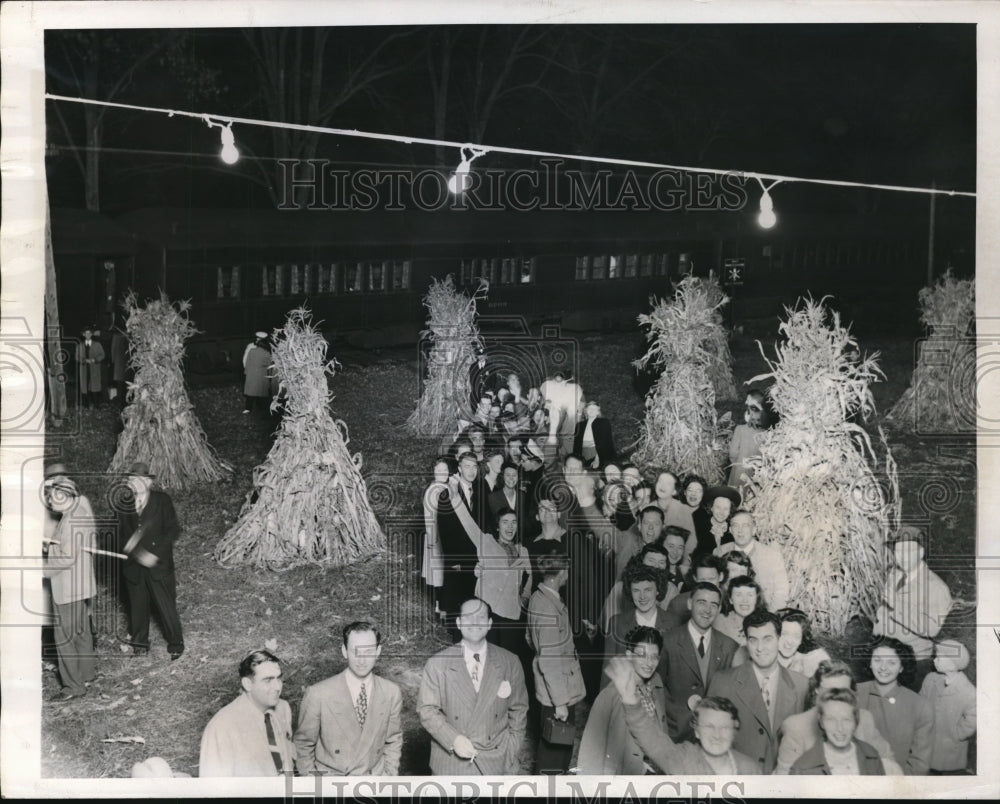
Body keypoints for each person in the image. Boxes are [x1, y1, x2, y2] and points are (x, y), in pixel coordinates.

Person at [419, 597, 528, 775]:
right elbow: (427, 711)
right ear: (459, 623)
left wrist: (510, 751)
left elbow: (519, 710)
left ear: (490, 623)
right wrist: (453, 740)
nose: (475, 623)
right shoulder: (437, 664)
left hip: (497, 760)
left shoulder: (510, 661)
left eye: (481, 617)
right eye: (468, 617)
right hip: (451, 762)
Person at [605, 657, 760, 775]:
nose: (717, 735)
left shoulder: (751, 769)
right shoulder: (683, 759)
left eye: (724, 727)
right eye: (709, 726)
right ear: (697, 731)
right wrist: (630, 700)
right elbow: (652, 740)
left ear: (734, 730)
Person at [706, 609, 809, 773]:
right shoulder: (722, 682)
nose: (760, 648)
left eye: (767, 639)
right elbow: (709, 739)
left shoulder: (802, 685)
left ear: (779, 639)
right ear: (746, 642)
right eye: (753, 640)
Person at [294, 622, 403, 776]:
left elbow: (393, 740)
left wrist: (388, 776)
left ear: (378, 651)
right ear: (344, 651)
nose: (362, 660)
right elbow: (303, 745)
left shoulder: (391, 692)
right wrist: (315, 783)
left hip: (374, 784)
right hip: (332, 785)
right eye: (355, 651)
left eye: (368, 651)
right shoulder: (318, 693)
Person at [775, 659, 902, 775]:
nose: (835, 699)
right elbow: (786, 782)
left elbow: (889, 764)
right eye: (829, 691)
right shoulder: (796, 726)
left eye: (843, 692)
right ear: (816, 690)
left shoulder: (865, 719)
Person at [114, 461, 184, 659]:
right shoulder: (123, 505)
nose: (135, 483)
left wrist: (153, 554)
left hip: (158, 565)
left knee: (166, 606)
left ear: (148, 482)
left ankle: (176, 644)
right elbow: (118, 535)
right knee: (137, 606)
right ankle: (140, 644)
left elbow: (172, 530)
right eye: (132, 479)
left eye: (140, 479)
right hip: (133, 568)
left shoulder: (162, 501)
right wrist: (133, 552)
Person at [578, 627, 669, 775]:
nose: (649, 663)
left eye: (654, 657)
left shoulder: (656, 683)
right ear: (628, 655)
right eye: (641, 655)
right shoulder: (611, 694)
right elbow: (591, 752)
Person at [526, 553, 587, 774]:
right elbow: (549, 661)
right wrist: (560, 702)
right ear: (561, 574)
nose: (568, 575)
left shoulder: (539, 597)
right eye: (567, 571)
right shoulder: (548, 607)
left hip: (555, 686)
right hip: (557, 691)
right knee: (555, 751)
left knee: (557, 747)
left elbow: (529, 638)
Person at [872, 526, 952, 688]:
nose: (902, 557)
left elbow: (932, 628)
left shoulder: (936, 587)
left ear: (921, 553)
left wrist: (897, 605)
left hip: (914, 662)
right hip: (885, 656)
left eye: (909, 551)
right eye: (898, 551)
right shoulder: (895, 575)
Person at [42, 469, 98, 700]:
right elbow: (70, 548)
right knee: (80, 632)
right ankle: (87, 673)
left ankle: (73, 687)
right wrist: (52, 547)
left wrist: (42, 570)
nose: (49, 501)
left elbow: (68, 558)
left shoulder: (72, 518)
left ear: (66, 496)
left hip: (68, 587)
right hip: (80, 585)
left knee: (64, 637)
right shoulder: (79, 511)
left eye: (53, 497)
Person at [658, 581, 739, 742]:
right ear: (689, 604)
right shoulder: (667, 641)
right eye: (701, 602)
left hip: (713, 737)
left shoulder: (730, 647)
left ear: (719, 609)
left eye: (714, 605)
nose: (707, 611)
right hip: (674, 734)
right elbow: (656, 688)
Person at [199, 649, 296, 776]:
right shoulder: (221, 728)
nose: (278, 687)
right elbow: (214, 789)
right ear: (247, 684)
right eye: (268, 680)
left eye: (279, 678)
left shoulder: (283, 708)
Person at [856, 637, 934, 775]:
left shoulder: (920, 706)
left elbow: (920, 764)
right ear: (869, 662)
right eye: (877, 660)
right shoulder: (853, 694)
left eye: (891, 662)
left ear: (902, 667)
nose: (883, 667)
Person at [474, 508, 532, 657]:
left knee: (509, 657)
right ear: (497, 526)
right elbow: (482, 567)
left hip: (511, 612)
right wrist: (479, 570)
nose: (510, 527)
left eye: (514, 522)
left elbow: (531, 576)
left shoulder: (522, 551)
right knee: (488, 656)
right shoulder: (489, 544)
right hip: (489, 610)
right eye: (505, 522)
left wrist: (525, 596)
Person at [789, 688, 886, 775]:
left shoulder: (872, 757)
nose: (840, 728)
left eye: (846, 719)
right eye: (831, 719)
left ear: (856, 721)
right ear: (821, 722)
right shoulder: (802, 768)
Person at [602, 563, 673, 677]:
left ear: (658, 590)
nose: (642, 596)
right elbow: (608, 672)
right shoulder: (617, 623)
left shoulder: (674, 622)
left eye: (648, 590)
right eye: (636, 590)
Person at [919, 639, 976, 774]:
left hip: (950, 746)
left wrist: (957, 734)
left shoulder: (968, 691)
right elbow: (920, 702)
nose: (934, 661)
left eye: (939, 658)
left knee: (947, 776)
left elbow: (974, 717)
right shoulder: (931, 679)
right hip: (927, 739)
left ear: (952, 663)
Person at [714, 510, 789, 611]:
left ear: (754, 530)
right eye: (735, 525)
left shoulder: (772, 556)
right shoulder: (719, 552)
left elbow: (781, 593)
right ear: (730, 530)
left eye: (745, 525)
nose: (740, 531)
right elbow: (714, 588)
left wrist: (768, 619)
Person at [421, 457, 453, 621]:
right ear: (434, 472)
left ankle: (442, 605)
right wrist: (433, 539)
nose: (443, 473)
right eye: (439, 470)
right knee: (438, 574)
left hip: (445, 535)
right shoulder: (434, 490)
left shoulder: (446, 487)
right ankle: (438, 607)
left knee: (443, 573)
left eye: (445, 470)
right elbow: (430, 517)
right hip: (436, 537)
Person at [662, 554, 729, 630]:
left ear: (721, 576)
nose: (707, 584)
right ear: (695, 578)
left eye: (711, 579)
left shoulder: (731, 601)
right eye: (702, 580)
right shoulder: (679, 603)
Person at [713, 576, 768, 657]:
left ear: (756, 599)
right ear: (731, 600)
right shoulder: (720, 621)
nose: (745, 600)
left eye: (750, 595)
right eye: (739, 595)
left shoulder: (765, 623)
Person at [727, 390, 769, 494]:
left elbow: (732, 453)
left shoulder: (740, 429)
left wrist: (738, 465)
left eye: (748, 399)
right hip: (758, 477)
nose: (746, 402)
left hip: (739, 473)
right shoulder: (768, 433)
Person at [777, 608, 832, 679]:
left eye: (796, 636)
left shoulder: (815, 658)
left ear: (802, 639)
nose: (789, 641)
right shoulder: (767, 654)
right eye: (784, 634)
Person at [539, 373, 584, 458]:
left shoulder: (573, 392)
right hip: (553, 425)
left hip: (567, 433)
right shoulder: (547, 387)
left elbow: (578, 416)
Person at [652, 471, 696, 556]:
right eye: (660, 481)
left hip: (676, 557)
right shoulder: (648, 508)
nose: (662, 486)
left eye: (668, 484)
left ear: (674, 491)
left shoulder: (684, 510)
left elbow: (691, 541)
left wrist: (685, 564)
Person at [693, 485, 739, 562]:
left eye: (725, 509)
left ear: (730, 511)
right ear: (712, 507)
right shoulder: (698, 526)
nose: (721, 512)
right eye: (718, 507)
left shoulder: (733, 531)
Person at [572, 400, 616, 470]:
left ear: (598, 411)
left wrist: (597, 459)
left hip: (598, 454)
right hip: (583, 454)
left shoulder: (604, 422)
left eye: (594, 409)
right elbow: (576, 445)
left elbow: (604, 442)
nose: (592, 410)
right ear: (586, 411)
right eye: (589, 408)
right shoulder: (579, 425)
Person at [242, 331, 272, 414]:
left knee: (254, 391)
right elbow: (245, 359)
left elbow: (247, 360)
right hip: (258, 373)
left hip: (253, 373)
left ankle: (253, 408)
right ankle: (255, 409)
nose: (257, 340)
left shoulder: (253, 349)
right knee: (260, 391)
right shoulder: (252, 347)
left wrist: (247, 372)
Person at [75, 326, 105, 407]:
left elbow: (102, 355)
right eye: (86, 333)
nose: (88, 335)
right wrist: (84, 360)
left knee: (94, 385)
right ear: (84, 335)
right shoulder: (80, 346)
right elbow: (77, 356)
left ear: (91, 334)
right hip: (84, 368)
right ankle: (86, 405)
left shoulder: (97, 345)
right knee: (84, 386)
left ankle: (96, 404)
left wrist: (94, 360)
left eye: (89, 333)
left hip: (94, 368)